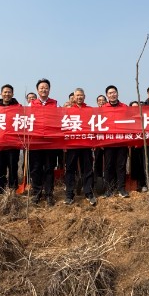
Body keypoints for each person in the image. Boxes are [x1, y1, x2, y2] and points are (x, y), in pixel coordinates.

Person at [64, 88, 97, 206]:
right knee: (70, 169)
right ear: (74, 97)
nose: (79, 97)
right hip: (72, 144)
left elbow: (94, 126)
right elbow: (63, 127)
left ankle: (89, 193)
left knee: (88, 169)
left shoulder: (90, 110)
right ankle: (69, 194)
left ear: (84, 96)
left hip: (86, 143)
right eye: (77, 95)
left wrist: (94, 142)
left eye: (81, 95)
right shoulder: (68, 110)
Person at [29, 78, 59, 206]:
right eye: (41, 88)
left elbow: (60, 120)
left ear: (49, 90)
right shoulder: (31, 104)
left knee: (49, 168)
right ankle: (36, 193)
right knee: (35, 169)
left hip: (50, 143)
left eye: (46, 88)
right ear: (37, 90)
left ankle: (49, 194)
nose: (44, 90)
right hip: (35, 142)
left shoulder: (55, 104)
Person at [102, 85, 130, 198]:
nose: (112, 95)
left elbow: (130, 122)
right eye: (110, 93)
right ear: (107, 95)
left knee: (121, 165)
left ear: (117, 93)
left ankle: (121, 189)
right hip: (108, 142)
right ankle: (109, 189)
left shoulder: (125, 107)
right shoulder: (103, 108)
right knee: (109, 166)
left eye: (114, 92)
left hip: (122, 141)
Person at [0, 84, 20, 193]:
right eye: (5, 92)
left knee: (13, 167)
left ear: (12, 94)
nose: (7, 94)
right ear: (1, 94)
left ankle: (13, 189)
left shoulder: (18, 107)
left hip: (13, 143)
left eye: (9, 92)